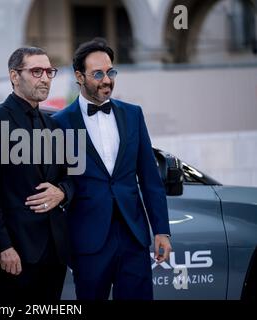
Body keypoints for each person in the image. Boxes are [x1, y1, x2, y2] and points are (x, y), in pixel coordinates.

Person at [53, 38, 172, 300]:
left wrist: (161, 229)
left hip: (133, 237)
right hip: (88, 241)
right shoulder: (58, 124)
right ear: (79, 77)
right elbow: (59, 181)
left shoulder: (133, 114)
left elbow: (150, 178)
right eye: (97, 74)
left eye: (110, 72)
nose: (107, 80)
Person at [0, 47, 74, 302]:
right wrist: (2, 247)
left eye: (49, 72)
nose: (45, 78)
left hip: (54, 251)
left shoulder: (53, 124)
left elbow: (70, 178)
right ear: (14, 76)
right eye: (36, 71)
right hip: (16, 251)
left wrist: (62, 192)